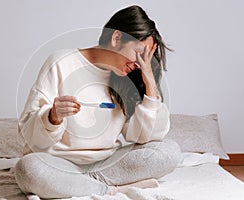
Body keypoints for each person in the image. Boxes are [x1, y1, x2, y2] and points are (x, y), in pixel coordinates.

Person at [14, 5, 181, 199]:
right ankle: (111, 190)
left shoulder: (127, 80)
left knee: (169, 151)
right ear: (116, 38)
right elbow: (28, 137)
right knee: (27, 169)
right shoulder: (61, 62)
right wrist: (52, 116)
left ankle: (83, 184)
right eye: (138, 52)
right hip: (59, 163)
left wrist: (149, 83)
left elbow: (145, 137)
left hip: (107, 164)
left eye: (145, 57)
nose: (139, 63)